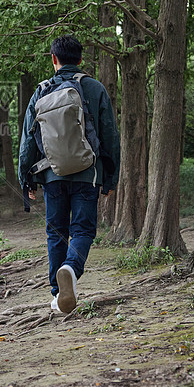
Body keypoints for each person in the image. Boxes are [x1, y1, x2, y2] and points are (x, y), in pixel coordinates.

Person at [18, 35, 120, 314]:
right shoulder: (95, 88)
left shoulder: (40, 92)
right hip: (87, 174)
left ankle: (57, 295)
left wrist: (26, 178)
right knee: (84, 230)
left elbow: (28, 140)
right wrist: (110, 177)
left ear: (54, 59)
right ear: (81, 59)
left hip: (52, 175)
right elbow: (110, 136)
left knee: (56, 232)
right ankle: (71, 269)